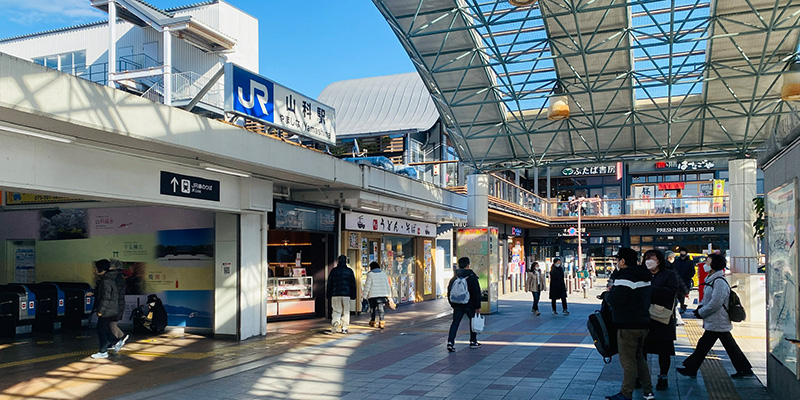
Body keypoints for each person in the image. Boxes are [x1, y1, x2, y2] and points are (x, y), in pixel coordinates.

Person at [677, 254, 754, 379]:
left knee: (705, 345)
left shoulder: (719, 282)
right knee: (718, 345)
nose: (705, 265)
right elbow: (708, 300)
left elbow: (716, 302)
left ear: (714, 265)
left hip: (718, 319)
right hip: (716, 320)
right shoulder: (712, 280)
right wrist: (701, 308)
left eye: (707, 262)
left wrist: (701, 312)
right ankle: (744, 369)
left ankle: (691, 367)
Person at [605, 248, 654, 400]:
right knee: (639, 358)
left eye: (618, 260)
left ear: (623, 261)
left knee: (628, 361)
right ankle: (648, 391)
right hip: (643, 323)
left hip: (627, 325)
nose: (617, 263)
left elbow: (617, 300)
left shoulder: (624, 277)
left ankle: (626, 393)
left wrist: (608, 294)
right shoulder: (645, 276)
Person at [642, 250, 678, 391]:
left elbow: (671, 292)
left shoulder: (669, 275)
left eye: (651, 258)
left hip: (662, 318)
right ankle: (642, 376)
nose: (648, 261)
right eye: (646, 258)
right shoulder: (642, 275)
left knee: (664, 350)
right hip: (644, 318)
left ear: (659, 260)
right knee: (642, 348)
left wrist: (650, 290)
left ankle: (663, 376)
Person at [446, 257, 482, 352]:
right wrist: (478, 306)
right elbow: (476, 292)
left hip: (457, 304)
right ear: (468, 265)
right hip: (470, 304)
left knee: (455, 323)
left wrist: (452, 304)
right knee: (472, 322)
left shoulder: (454, 277)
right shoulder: (472, 277)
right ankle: (473, 341)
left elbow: (449, 291)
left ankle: (450, 342)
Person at [91, 259, 120, 359]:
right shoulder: (109, 279)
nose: (95, 270)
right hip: (110, 309)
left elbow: (106, 297)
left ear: (101, 269)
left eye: (96, 268)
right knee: (103, 328)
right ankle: (114, 342)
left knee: (101, 329)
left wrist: (101, 311)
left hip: (106, 310)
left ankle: (103, 351)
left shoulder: (105, 281)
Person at [327, 255, 356, 334]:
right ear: (346, 261)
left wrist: (328, 294)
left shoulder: (333, 271)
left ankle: (335, 324)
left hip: (335, 294)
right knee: (346, 311)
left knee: (336, 310)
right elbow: (353, 284)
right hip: (346, 294)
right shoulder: (349, 271)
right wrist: (353, 295)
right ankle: (344, 328)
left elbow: (329, 283)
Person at [362, 261, 392, 329]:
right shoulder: (383, 274)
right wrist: (389, 295)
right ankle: (381, 322)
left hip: (372, 295)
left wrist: (364, 296)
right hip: (382, 294)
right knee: (381, 308)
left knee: (372, 308)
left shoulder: (370, 274)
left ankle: (373, 321)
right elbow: (387, 285)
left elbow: (367, 286)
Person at [108, 259, 129, 353]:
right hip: (117, 304)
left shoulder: (117, 278)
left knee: (112, 323)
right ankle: (116, 341)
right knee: (112, 323)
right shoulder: (119, 277)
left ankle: (121, 337)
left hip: (116, 304)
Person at [674, 247, 695, 313]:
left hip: (685, 281)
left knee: (683, 295)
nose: (682, 255)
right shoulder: (676, 261)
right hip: (677, 281)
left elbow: (692, 271)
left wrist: (688, 277)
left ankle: (682, 306)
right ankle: (680, 307)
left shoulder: (689, 262)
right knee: (676, 294)